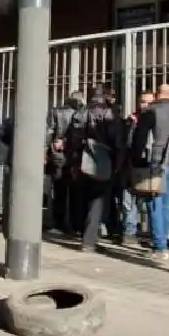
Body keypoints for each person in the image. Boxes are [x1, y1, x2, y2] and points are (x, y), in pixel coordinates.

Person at [131, 83, 169, 263]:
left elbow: (139, 140)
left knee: (154, 205)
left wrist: (136, 161)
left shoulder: (150, 112)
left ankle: (160, 247)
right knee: (165, 205)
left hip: (154, 165)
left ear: (156, 95)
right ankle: (164, 241)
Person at [73, 87, 125, 253]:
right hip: (104, 161)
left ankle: (84, 234)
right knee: (98, 201)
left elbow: (74, 137)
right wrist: (118, 163)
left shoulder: (82, 112)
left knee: (84, 198)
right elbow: (117, 142)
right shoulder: (110, 115)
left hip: (83, 160)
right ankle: (89, 240)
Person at [113, 91, 154, 245]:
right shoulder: (131, 120)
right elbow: (123, 143)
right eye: (143, 101)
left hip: (148, 165)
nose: (146, 105)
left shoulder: (155, 119)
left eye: (150, 102)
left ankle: (149, 234)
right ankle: (129, 232)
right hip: (129, 165)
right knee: (128, 201)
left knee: (146, 202)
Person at [45, 91, 85, 236]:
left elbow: (49, 133)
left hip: (58, 156)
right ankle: (76, 226)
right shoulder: (82, 113)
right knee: (76, 193)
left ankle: (59, 223)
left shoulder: (57, 112)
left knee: (59, 191)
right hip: (76, 158)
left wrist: (46, 150)